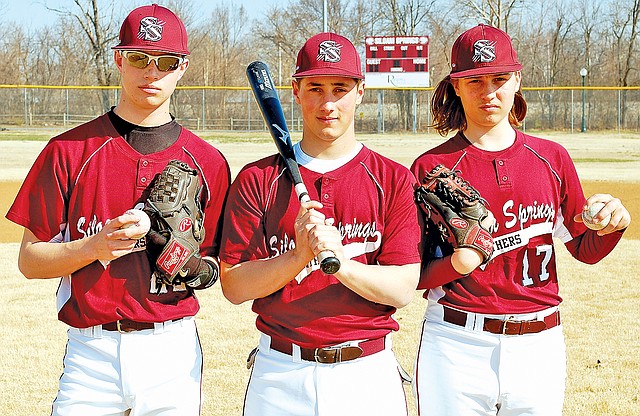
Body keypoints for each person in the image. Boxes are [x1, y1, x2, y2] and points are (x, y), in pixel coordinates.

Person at [5, 4, 230, 415]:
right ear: (119, 60)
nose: (152, 71)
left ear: (182, 68)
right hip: (91, 350)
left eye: (166, 61)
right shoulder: (69, 151)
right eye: (140, 58)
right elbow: (29, 261)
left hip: (172, 349)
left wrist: (186, 264)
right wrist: (93, 247)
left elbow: (217, 265)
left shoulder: (208, 162)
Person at [410, 24, 631, 415]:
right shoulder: (433, 167)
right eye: (474, 80)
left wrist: (614, 225)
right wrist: (459, 263)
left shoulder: (552, 158)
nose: (488, 92)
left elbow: (585, 248)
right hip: (457, 341)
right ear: (456, 86)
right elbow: (414, 273)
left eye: (499, 78)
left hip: (539, 345)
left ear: (516, 80)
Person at [219, 32, 421, 416]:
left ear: (360, 91)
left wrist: (341, 264)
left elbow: (402, 290)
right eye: (315, 87)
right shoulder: (257, 179)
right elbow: (234, 286)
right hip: (280, 372)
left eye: (340, 88)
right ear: (295, 91)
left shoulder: (393, 179)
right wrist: (298, 256)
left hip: (367, 372)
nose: (328, 103)